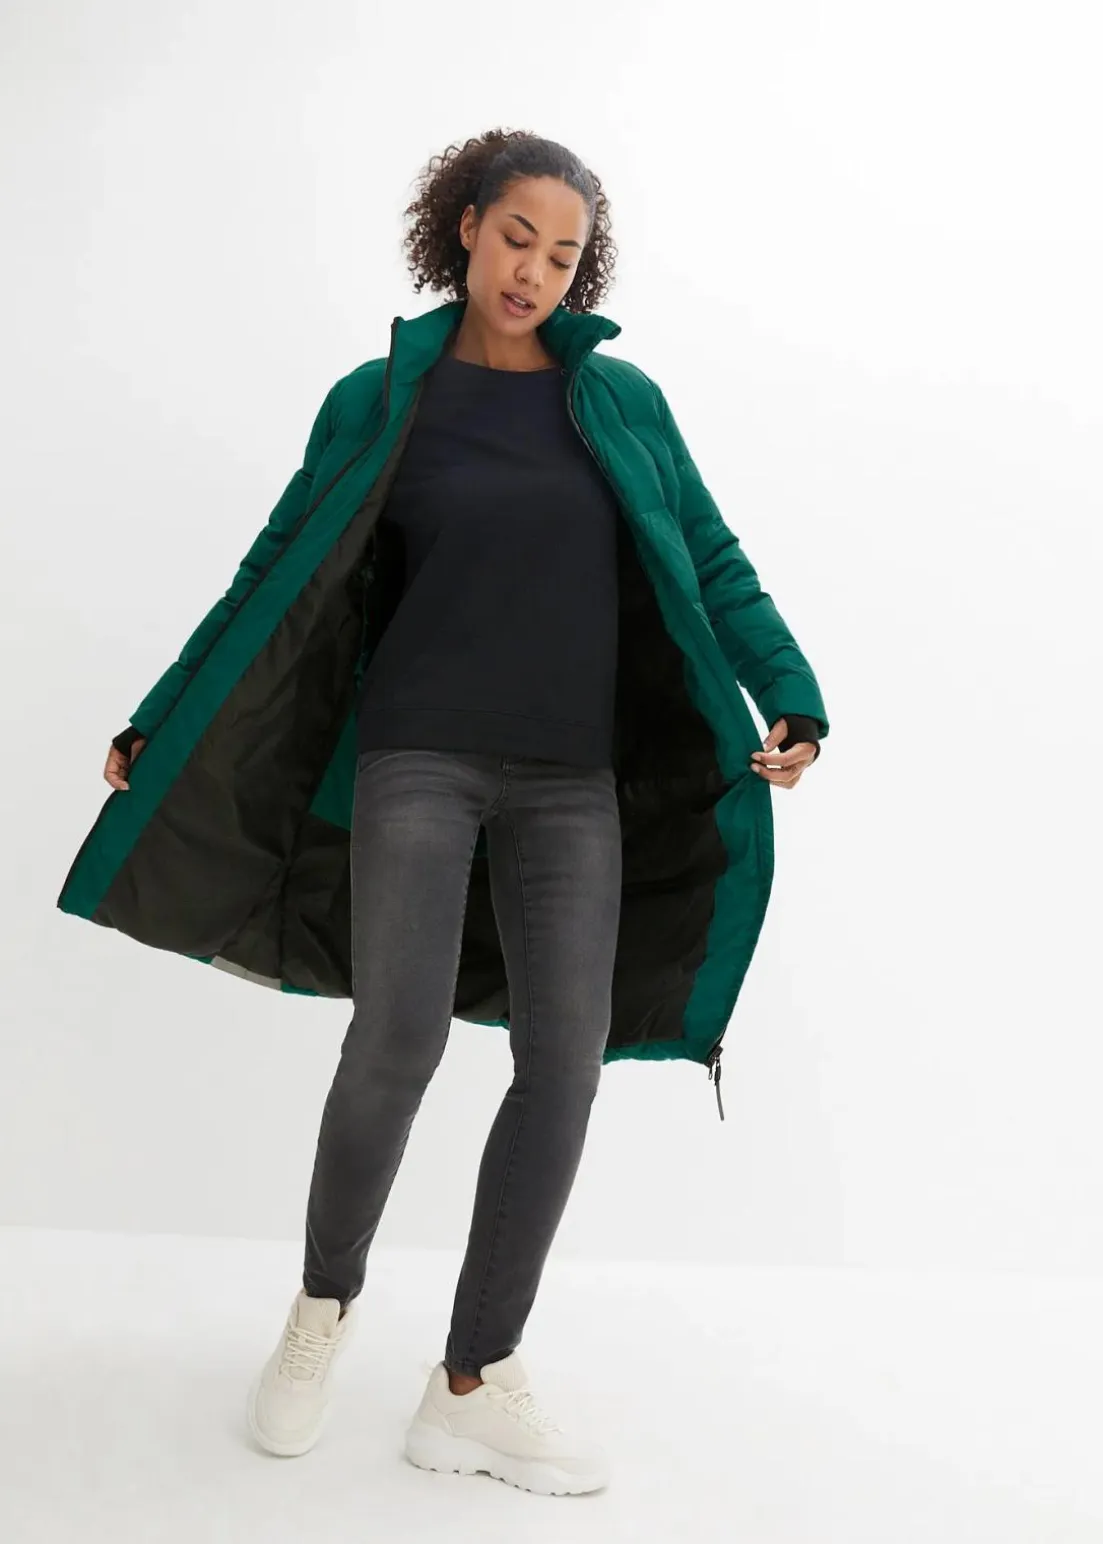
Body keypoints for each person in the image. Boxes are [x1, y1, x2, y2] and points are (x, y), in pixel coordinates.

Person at [68, 128, 829, 1497]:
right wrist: (162, 715)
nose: (536, 270)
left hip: (574, 780)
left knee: (565, 1064)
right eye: (517, 237)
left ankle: (472, 1381)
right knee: (398, 1033)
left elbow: (711, 558)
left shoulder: (620, 402)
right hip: (419, 758)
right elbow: (271, 568)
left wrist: (789, 692)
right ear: (464, 228)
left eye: (564, 255)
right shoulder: (381, 398)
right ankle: (321, 1310)